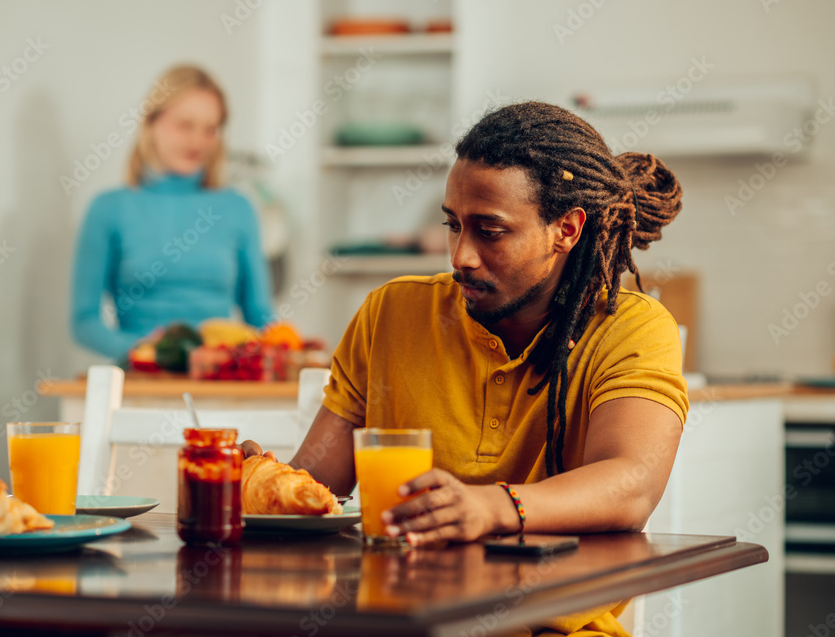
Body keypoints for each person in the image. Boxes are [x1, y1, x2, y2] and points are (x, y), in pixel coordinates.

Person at [243, 101, 687, 637]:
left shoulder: (631, 327)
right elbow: (318, 489)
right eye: (453, 226)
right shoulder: (392, 313)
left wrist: (490, 508)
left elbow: (631, 483)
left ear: (565, 230)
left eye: (490, 231)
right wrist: (257, 484)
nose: (461, 256)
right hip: (396, 622)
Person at [71, 65, 274, 361]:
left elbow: (260, 315)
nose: (198, 141)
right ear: (151, 123)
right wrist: (151, 354)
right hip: (141, 384)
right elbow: (84, 321)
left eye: (210, 129)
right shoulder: (109, 209)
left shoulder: (238, 208)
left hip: (221, 382)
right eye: (185, 125)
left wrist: (288, 348)